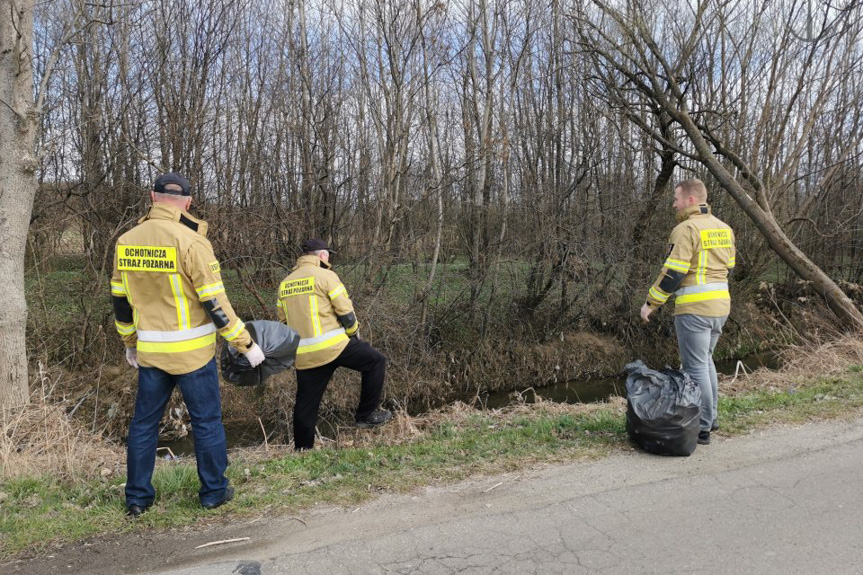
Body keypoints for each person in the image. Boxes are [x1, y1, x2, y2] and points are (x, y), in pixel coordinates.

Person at [110, 172, 265, 517]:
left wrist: (130, 342)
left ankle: (137, 499)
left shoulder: (126, 241)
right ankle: (213, 492)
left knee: (143, 425)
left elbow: (120, 300)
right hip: (193, 355)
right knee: (207, 422)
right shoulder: (192, 242)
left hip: (151, 354)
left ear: (152, 197)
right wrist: (246, 344)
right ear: (188, 203)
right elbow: (216, 304)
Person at [640, 178, 735, 446]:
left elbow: (673, 273)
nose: (674, 204)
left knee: (695, 368)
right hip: (721, 306)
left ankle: (703, 427)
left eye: (676, 198)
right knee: (706, 362)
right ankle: (711, 419)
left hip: (695, 308)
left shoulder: (686, 229)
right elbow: (729, 265)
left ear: (691, 200)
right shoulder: (724, 228)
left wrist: (650, 304)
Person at [277, 238, 391, 450]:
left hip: (305, 355)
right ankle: (366, 415)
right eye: (328, 254)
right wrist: (354, 333)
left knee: (305, 403)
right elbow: (345, 311)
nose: (329, 258)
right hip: (335, 347)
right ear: (321, 255)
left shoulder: (285, 284)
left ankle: (303, 450)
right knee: (376, 361)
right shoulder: (326, 276)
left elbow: (283, 322)